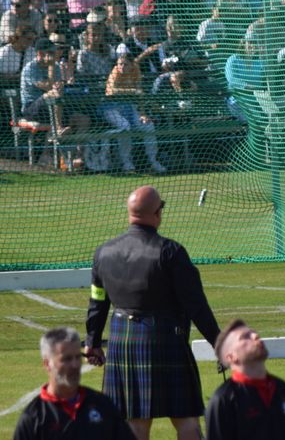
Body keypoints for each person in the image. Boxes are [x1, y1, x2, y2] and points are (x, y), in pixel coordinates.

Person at [85, 185, 220, 440]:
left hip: (123, 340)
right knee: (186, 419)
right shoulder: (171, 252)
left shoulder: (103, 253)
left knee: (135, 421)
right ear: (157, 213)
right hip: (166, 338)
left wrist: (92, 341)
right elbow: (196, 305)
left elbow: (97, 301)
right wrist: (219, 343)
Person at [13, 327, 134, 440]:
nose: (75, 365)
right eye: (66, 359)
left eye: (77, 357)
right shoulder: (33, 418)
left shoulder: (103, 405)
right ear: (47, 364)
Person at [206, 319, 285, 440]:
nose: (256, 336)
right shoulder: (223, 400)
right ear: (231, 356)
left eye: (253, 333)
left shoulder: (284, 390)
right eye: (245, 337)